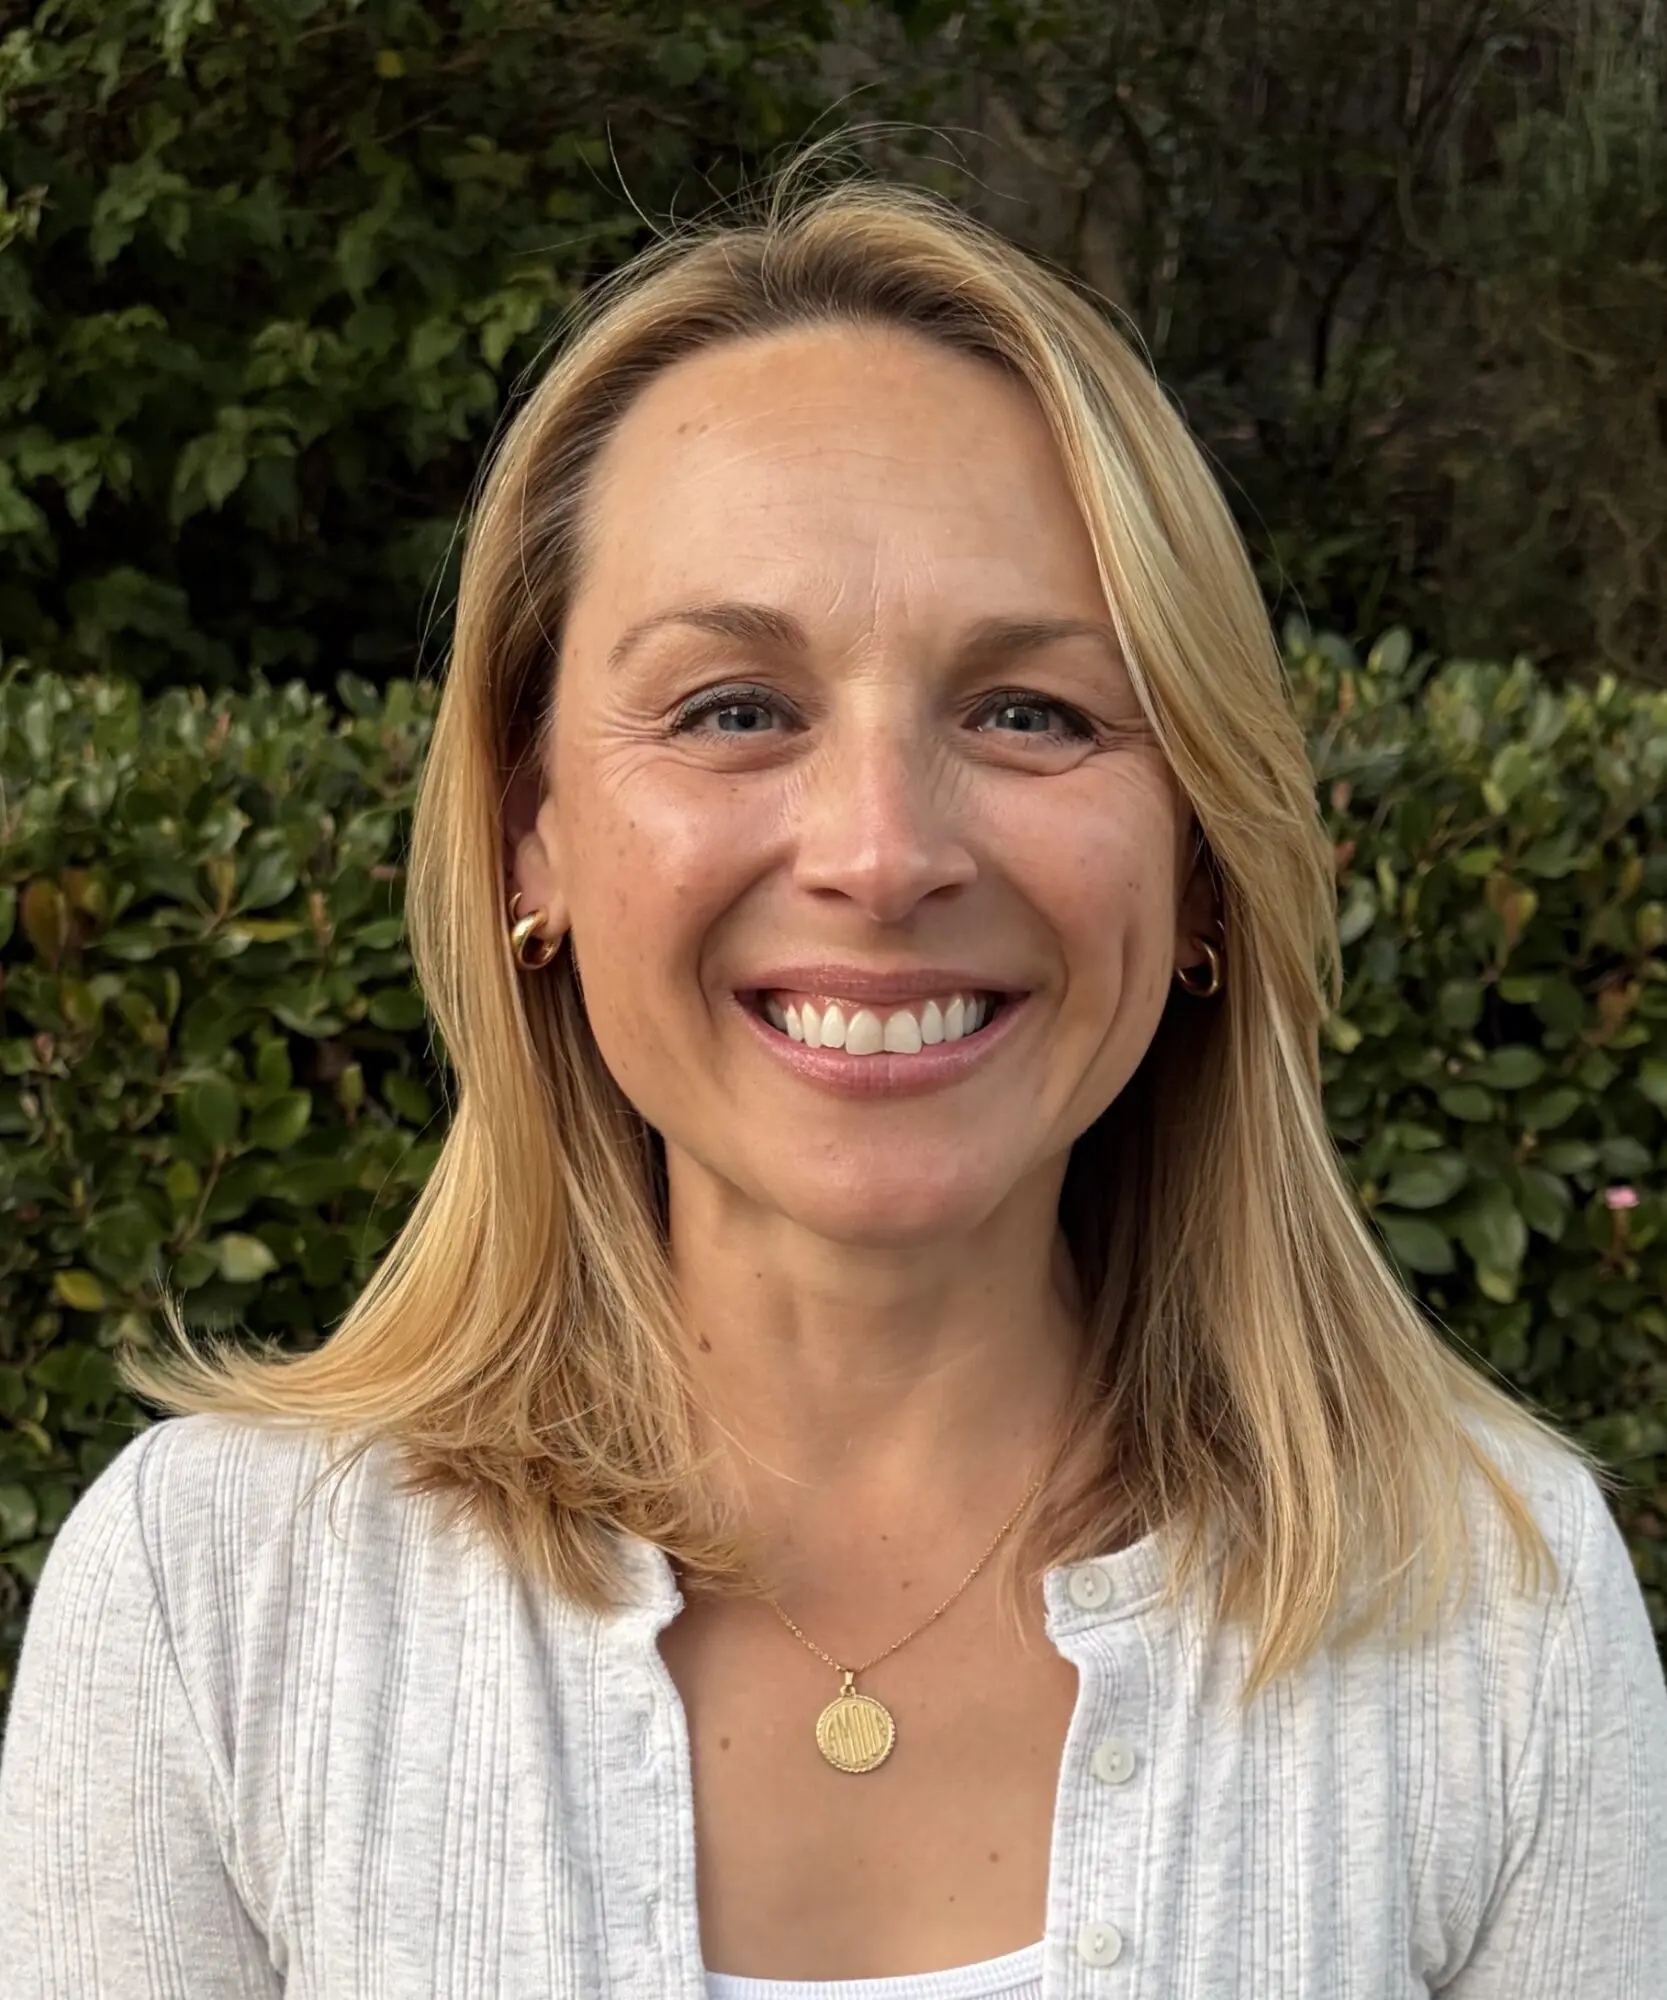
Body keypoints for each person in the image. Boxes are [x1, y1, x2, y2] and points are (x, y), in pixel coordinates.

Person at [2, 164, 1664, 2000]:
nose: (881, 853)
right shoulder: (210, 1610)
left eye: (1030, 710)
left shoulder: (1492, 1622)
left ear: (1200, 857)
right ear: (525, 837)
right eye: (733, 708)